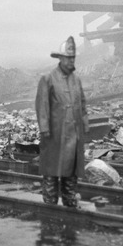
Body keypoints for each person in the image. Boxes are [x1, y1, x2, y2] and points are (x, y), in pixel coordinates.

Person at [35, 36, 89, 207]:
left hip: (74, 135)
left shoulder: (76, 80)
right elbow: (42, 105)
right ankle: (50, 205)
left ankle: (69, 201)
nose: (71, 61)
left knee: (71, 172)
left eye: (73, 58)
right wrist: (45, 129)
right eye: (68, 58)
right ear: (60, 58)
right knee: (52, 172)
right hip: (55, 134)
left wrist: (85, 124)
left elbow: (82, 103)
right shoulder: (48, 78)